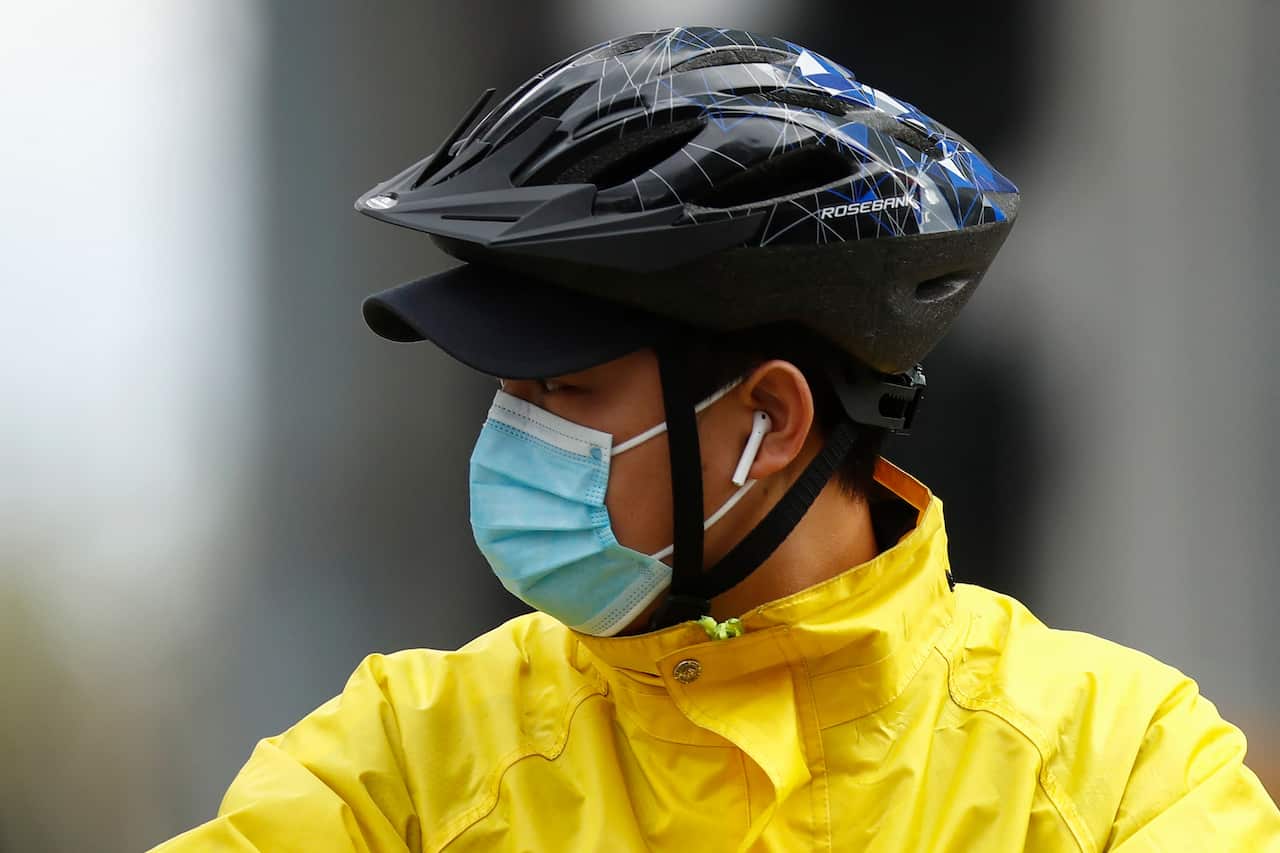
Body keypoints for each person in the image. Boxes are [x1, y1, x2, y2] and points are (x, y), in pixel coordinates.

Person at [153, 26, 1280, 851]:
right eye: (507, 389)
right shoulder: (400, 762)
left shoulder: (1121, 769)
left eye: (565, 387)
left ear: (770, 421)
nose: (511, 435)